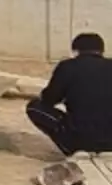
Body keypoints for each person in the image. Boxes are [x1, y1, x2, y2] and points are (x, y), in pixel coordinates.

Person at [26, 30, 112, 164]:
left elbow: (49, 100)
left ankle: (71, 146)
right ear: (102, 51)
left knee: (34, 107)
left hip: (79, 139)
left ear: (75, 51)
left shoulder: (67, 66)